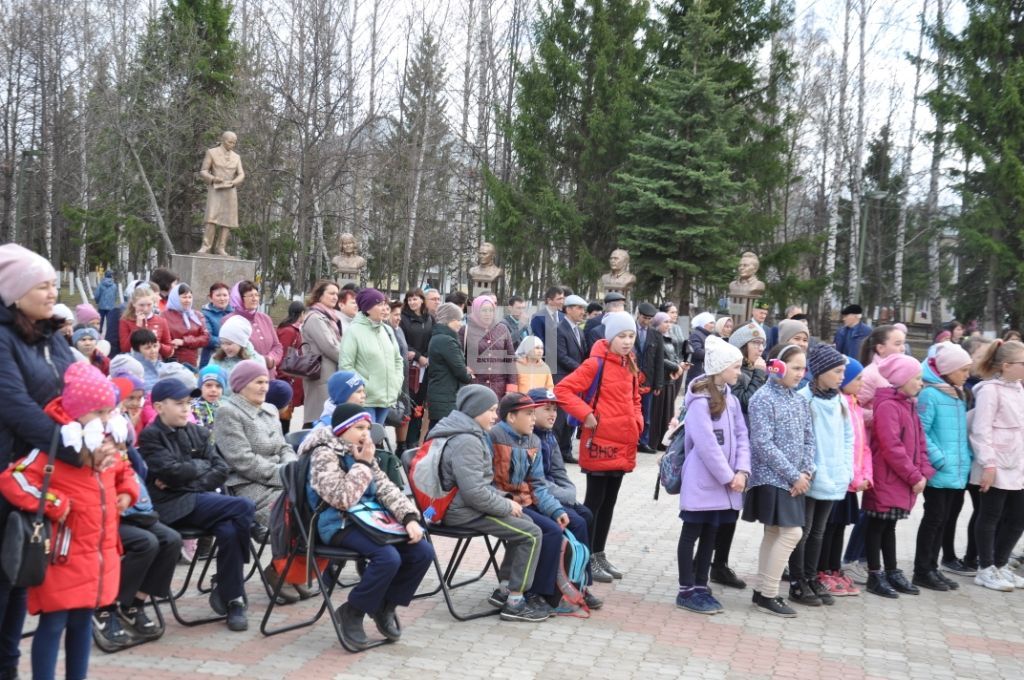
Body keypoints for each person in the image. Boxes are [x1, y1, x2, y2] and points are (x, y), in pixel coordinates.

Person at [0, 363, 138, 679]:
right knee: (53, 622)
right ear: (78, 412)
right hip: (61, 554)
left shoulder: (107, 444)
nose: (106, 419)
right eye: (98, 412)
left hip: (97, 551)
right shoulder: (56, 449)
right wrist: (53, 503)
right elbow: (13, 479)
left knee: (82, 622)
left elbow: (125, 471)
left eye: (109, 410)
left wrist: (127, 493)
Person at [0, 244, 84, 676]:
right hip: (8, 469)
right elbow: (13, 405)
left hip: (38, 473)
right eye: (43, 284)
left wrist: (100, 426)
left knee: (19, 574)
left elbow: (79, 386)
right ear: (14, 291)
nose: (53, 292)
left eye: (55, 283)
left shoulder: (50, 335)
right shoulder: (3, 337)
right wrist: (72, 446)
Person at [304, 404, 434, 648]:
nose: (366, 433)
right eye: (359, 427)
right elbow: (342, 499)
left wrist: (409, 518)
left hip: (371, 520)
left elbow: (385, 488)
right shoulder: (323, 454)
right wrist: (362, 465)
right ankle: (353, 611)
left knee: (422, 552)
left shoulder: (362, 451)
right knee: (388, 558)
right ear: (342, 430)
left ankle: (385, 605)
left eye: (367, 427)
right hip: (336, 524)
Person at [139, 378, 255, 631]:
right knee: (244, 507)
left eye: (188, 403)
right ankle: (232, 592)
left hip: (198, 501)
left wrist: (186, 478)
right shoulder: (150, 437)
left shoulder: (198, 432)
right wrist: (195, 472)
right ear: (159, 407)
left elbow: (221, 469)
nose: (185, 409)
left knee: (230, 529)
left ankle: (231, 596)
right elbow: (170, 472)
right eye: (179, 404)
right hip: (170, 509)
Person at [434, 385, 548, 622]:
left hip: (462, 505)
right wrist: (506, 505)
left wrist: (504, 501)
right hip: (461, 511)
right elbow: (475, 493)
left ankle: (504, 589)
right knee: (532, 533)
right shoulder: (467, 441)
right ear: (475, 411)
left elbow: (477, 487)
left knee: (523, 521)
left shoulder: (466, 432)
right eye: (492, 410)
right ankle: (515, 602)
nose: (496, 416)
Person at [555, 311, 642, 583]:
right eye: (622, 336)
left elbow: (635, 397)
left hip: (623, 443)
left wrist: (637, 420)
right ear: (610, 337)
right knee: (594, 503)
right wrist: (587, 414)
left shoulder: (630, 363)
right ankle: (586, 555)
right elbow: (563, 390)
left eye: (631, 336)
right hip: (600, 443)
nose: (627, 341)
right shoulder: (596, 364)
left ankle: (599, 553)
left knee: (610, 503)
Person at [675, 336, 749, 614]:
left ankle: (701, 584)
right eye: (735, 367)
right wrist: (728, 476)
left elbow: (742, 435)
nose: (739, 372)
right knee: (692, 532)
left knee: (711, 534)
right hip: (704, 482)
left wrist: (742, 469)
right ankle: (686, 589)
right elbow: (705, 444)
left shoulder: (730, 398)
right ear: (720, 368)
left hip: (727, 483)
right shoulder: (700, 399)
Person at [743, 344, 814, 618]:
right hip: (773, 477)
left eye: (802, 368)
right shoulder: (763, 399)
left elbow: (809, 438)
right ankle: (769, 592)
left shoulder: (799, 400)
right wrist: (793, 475)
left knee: (774, 533)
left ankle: (762, 590)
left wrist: (806, 471)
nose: (800, 374)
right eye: (795, 368)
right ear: (778, 367)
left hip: (795, 478)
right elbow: (761, 443)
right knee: (791, 533)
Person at [488, 393, 571, 612]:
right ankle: (532, 592)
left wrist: (555, 509)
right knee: (542, 531)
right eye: (528, 414)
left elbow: (538, 484)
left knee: (558, 524)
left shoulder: (533, 440)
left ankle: (546, 591)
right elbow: (483, 481)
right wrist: (504, 501)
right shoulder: (493, 437)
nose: (534, 419)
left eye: (535, 413)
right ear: (511, 417)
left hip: (524, 501)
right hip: (500, 503)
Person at [862, 353, 934, 598]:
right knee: (877, 526)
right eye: (916, 378)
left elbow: (921, 443)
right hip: (887, 478)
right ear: (901, 379)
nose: (920, 383)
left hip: (901, 479)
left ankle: (892, 570)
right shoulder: (888, 406)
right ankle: (874, 573)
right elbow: (892, 447)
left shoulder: (909, 405)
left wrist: (924, 471)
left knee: (889, 526)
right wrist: (914, 476)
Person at [787, 345, 853, 607]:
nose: (841, 377)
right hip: (811, 477)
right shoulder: (805, 399)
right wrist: (807, 470)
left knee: (819, 531)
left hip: (834, 476)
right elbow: (800, 440)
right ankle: (798, 581)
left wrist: (846, 468)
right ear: (821, 372)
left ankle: (812, 577)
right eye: (837, 372)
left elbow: (849, 437)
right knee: (802, 531)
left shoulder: (839, 400)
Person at [527, 387, 605, 605]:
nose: (553, 414)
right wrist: (565, 497)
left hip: (555, 494)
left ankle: (581, 581)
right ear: (531, 411)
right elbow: (536, 482)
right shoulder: (531, 439)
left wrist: (569, 493)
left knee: (587, 515)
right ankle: (569, 585)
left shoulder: (550, 436)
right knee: (577, 521)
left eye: (555, 409)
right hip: (537, 498)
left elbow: (560, 472)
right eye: (547, 409)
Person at [913, 343, 973, 592]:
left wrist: (965, 458)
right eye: (963, 370)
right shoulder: (930, 394)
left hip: (957, 471)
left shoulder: (957, 393)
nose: (967, 375)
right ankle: (921, 570)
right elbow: (922, 431)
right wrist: (940, 460)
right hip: (940, 471)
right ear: (948, 369)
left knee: (945, 520)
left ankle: (933, 567)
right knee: (933, 519)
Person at [213, 359, 297, 530]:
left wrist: (292, 468)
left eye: (266, 382)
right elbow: (244, 461)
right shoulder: (227, 412)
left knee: (322, 501)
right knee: (303, 508)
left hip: (281, 478)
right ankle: (290, 555)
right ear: (242, 384)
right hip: (249, 486)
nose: (265, 387)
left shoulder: (271, 409)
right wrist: (285, 475)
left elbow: (284, 447)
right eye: (259, 382)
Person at [968, 339, 1024, 592]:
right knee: (990, 515)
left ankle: (1001, 564)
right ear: (1006, 365)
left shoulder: (1019, 388)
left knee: (1017, 517)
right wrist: (988, 464)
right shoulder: (989, 390)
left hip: (1018, 462)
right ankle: (986, 567)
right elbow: (981, 430)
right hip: (995, 463)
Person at [816, 358, 870, 597]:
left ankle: (834, 568)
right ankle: (821, 570)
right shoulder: (840, 404)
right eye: (858, 379)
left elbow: (860, 446)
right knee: (827, 528)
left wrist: (862, 475)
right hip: (836, 479)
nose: (862, 383)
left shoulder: (855, 405)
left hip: (849, 481)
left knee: (839, 528)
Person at [339, 288, 404, 425]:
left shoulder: (387, 330)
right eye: (379, 304)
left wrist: (396, 383)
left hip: (386, 398)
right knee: (366, 438)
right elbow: (346, 366)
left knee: (375, 439)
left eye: (384, 304)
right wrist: (365, 387)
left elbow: (398, 359)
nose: (384, 308)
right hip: (366, 399)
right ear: (367, 308)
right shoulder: (354, 331)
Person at [300, 280, 344, 429]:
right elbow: (329, 346)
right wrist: (348, 360)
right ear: (319, 295)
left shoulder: (329, 317)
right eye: (331, 293)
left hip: (328, 373)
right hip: (320, 373)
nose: (335, 297)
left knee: (324, 418)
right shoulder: (315, 317)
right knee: (317, 417)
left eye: (336, 294)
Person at [425, 303, 473, 430]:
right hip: (446, 396)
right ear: (451, 320)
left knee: (437, 432)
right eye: (459, 320)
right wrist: (468, 375)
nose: (461, 324)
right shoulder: (447, 341)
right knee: (440, 434)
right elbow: (461, 372)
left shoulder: (440, 337)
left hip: (442, 394)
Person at [554, 294, 589, 463]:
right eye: (579, 308)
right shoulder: (558, 329)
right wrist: (583, 370)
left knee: (571, 418)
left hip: (576, 381)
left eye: (583, 308)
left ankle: (566, 451)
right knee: (560, 419)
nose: (583, 312)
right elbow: (561, 356)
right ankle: (556, 454)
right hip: (562, 379)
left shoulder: (579, 331)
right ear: (568, 309)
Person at [463, 295, 517, 401]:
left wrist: (512, 385)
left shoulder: (502, 329)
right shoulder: (465, 330)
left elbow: (510, 359)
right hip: (475, 386)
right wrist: (465, 369)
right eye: (484, 310)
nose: (488, 314)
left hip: (499, 389)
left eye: (490, 310)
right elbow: (458, 356)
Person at [226, 280, 283, 376]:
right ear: (239, 298)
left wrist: (271, 360)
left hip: (268, 375)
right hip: (245, 377)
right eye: (250, 296)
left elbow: (277, 346)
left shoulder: (265, 318)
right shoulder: (230, 320)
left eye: (256, 295)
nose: (255, 299)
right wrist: (262, 361)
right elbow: (234, 352)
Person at [399, 288, 433, 445]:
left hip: (425, 367)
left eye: (415, 299)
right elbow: (402, 342)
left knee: (420, 405)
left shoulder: (430, 318)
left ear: (422, 300)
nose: (412, 302)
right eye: (409, 299)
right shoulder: (403, 319)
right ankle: (403, 442)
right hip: (409, 367)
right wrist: (419, 356)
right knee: (409, 403)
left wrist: (426, 357)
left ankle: (414, 440)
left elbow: (433, 339)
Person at [649, 312, 684, 452]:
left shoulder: (669, 338)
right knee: (657, 413)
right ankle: (653, 441)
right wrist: (675, 367)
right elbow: (659, 359)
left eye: (670, 322)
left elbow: (674, 356)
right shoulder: (654, 337)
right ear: (657, 323)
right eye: (665, 322)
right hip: (660, 379)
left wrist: (680, 365)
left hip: (669, 379)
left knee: (667, 412)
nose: (668, 325)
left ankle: (664, 441)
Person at [635, 302, 666, 454]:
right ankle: (630, 440)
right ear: (638, 315)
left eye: (649, 319)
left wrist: (658, 384)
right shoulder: (629, 330)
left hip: (648, 380)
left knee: (646, 414)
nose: (645, 321)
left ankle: (643, 441)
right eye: (644, 317)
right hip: (630, 379)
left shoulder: (656, 334)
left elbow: (659, 361)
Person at [209, 315, 263, 394]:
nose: (225, 347)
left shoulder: (256, 361)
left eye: (229, 343)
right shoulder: (216, 359)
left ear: (241, 343)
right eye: (222, 343)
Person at [276, 300, 306, 433]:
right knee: (284, 414)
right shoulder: (289, 331)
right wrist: (284, 375)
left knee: (287, 412)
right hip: (286, 378)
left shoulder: (292, 329)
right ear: (302, 313)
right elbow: (283, 353)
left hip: (290, 376)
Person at [118, 284, 173, 358]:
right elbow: (125, 349)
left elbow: (169, 351)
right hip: (134, 363)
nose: (145, 309)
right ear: (134, 304)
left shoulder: (161, 321)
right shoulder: (125, 320)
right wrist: (136, 327)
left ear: (153, 303)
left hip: (155, 363)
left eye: (149, 305)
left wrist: (158, 345)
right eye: (141, 305)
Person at [163, 283, 209, 368]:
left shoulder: (197, 315)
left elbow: (205, 338)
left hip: (191, 362)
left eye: (190, 297)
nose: (187, 300)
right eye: (184, 297)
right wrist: (170, 343)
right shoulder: (164, 316)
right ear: (175, 298)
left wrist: (184, 341)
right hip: (170, 361)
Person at [200, 282, 232, 368]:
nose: (222, 298)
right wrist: (230, 344)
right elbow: (207, 338)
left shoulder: (235, 313)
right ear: (210, 298)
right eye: (218, 295)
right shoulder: (204, 314)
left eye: (225, 295)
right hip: (212, 357)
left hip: (232, 358)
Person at [530, 286, 565, 355]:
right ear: (549, 300)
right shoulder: (538, 317)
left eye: (563, 298)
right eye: (559, 299)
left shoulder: (563, 316)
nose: (562, 302)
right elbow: (539, 342)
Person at [685, 312, 716, 389]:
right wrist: (715, 354)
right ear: (704, 323)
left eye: (713, 323)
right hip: (697, 373)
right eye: (711, 323)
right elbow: (697, 352)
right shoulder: (696, 335)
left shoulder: (708, 335)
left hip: (705, 372)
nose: (713, 325)